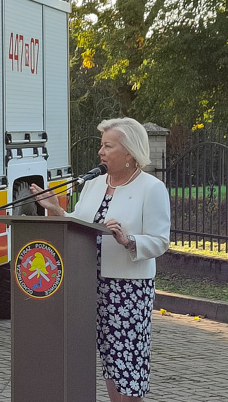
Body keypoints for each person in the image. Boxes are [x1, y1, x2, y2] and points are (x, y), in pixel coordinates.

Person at [31, 117, 171, 402]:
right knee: (109, 356)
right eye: (101, 145)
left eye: (108, 146)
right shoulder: (94, 184)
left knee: (127, 360)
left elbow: (160, 241)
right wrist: (57, 210)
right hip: (88, 283)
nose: (101, 152)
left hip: (127, 289)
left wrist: (129, 241)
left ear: (129, 152)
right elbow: (81, 225)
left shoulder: (151, 188)